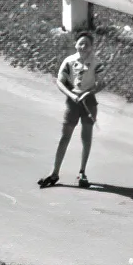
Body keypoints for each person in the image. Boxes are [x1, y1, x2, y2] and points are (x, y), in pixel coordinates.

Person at [40, 29, 98, 189]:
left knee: (86, 138)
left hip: (89, 103)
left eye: (87, 44)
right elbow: (59, 81)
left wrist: (88, 93)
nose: (84, 46)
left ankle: (82, 172)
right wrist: (71, 95)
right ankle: (55, 172)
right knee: (65, 137)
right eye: (81, 43)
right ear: (76, 44)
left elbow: (101, 83)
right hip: (73, 103)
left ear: (92, 47)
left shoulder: (96, 62)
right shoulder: (69, 61)